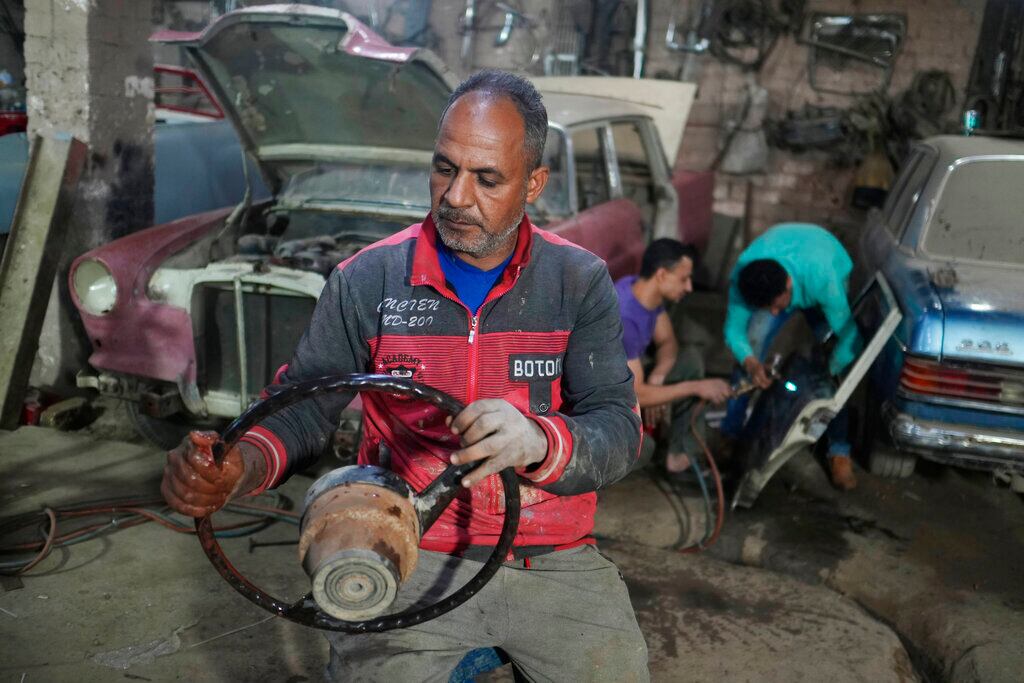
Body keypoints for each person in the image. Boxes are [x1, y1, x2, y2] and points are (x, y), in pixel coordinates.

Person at [161, 69, 649, 681]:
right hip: (408, 549)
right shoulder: (369, 279)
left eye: (487, 178)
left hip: (550, 558)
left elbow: (618, 429)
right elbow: (303, 405)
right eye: (445, 167)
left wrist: (538, 441)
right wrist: (238, 465)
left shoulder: (577, 281)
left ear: (534, 184)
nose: (455, 196)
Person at [722, 222, 862, 490]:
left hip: (824, 263)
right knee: (748, 348)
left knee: (839, 369)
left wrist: (831, 369)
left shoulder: (823, 280)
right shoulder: (745, 278)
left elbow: (850, 337)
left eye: (776, 306)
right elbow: (734, 330)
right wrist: (751, 363)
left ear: (787, 286)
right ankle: (731, 435)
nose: (775, 314)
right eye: (766, 307)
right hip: (788, 273)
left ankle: (839, 451)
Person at [615, 238, 731, 476]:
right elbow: (635, 394)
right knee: (644, 448)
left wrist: (658, 376)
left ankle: (679, 456)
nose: (689, 287)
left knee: (690, 359)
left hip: (637, 377)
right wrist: (696, 387)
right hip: (610, 396)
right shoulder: (625, 316)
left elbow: (668, 343)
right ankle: (661, 450)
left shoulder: (641, 290)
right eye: (683, 279)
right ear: (661, 275)